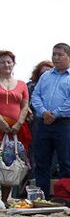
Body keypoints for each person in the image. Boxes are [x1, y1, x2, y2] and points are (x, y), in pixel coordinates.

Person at [30, 43, 70, 198]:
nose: (56, 57)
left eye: (60, 54)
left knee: (65, 162)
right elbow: (35, 96)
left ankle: (64, 197)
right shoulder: (45, 76)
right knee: (41, 161)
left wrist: (54, 114)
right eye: (54, 54)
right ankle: (42, 197)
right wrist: (43, 112)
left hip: (64, 123)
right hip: (43, 123)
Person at [0, 50, 30, 203]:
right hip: (0, 127)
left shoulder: (22, 84)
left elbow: (25, 106)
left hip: (16, 130)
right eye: (2, 62)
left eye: (8, 62)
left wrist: (18, 123)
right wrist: (1, 122)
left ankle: (4, 200)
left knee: (10, 162)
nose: (6, 64)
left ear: (13, 64)